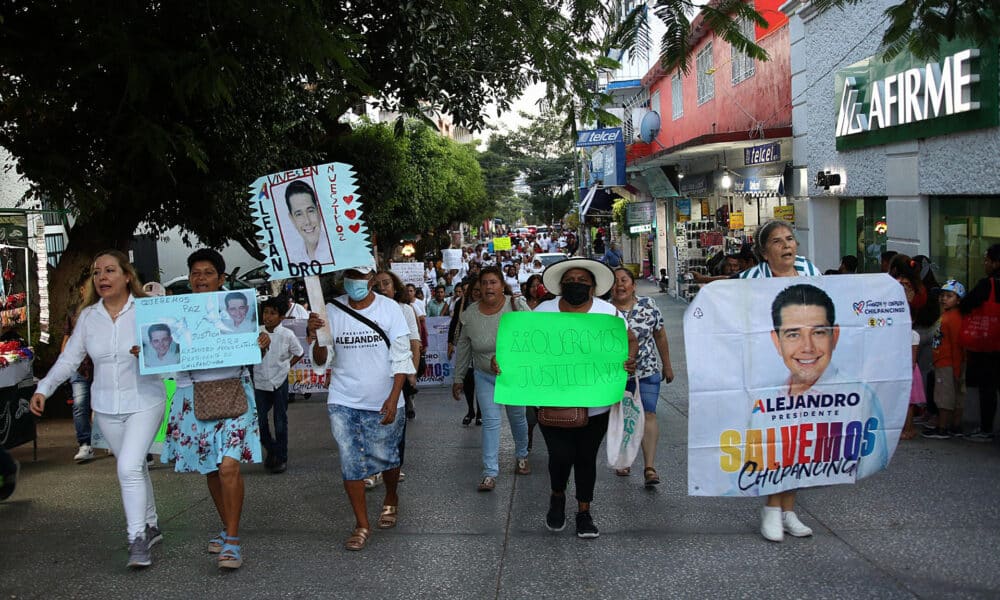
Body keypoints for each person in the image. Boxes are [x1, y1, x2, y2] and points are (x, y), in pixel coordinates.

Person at [30, 250, 164, 568]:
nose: (102, 277)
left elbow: (174, 348)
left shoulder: (147, 310)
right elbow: (69, 359)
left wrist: (147, 352)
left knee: (128, 468)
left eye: (109, 270)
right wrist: (43, 388)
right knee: (135, 468)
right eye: (96, 272)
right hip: (105, 406)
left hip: (145, 400)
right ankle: (151, 524)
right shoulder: (89, 317)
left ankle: (137, 540)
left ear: (127, 276)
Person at [161, 249, 266, 570]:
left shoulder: (239, 309)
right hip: (191, 397)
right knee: (210, 468)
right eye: (196, 272)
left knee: (229, 468)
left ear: (221, 279)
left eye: (208, 273)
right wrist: (146, 352)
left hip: (235, 393)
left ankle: (232, 540)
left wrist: (262, 341)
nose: (201, 278)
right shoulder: (175, 313)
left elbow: (255, 346)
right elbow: (166, 357)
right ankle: (227, 526)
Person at [306, 266, 415, 551]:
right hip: (344, 399)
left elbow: (401, 357)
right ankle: (362, 524)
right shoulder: (330, 310)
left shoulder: (391, 309)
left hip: (384, 398)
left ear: (370, 279)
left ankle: (391, 497)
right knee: (350, 460)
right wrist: (316, 335)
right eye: (349, 276)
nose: (355, 282)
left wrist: (393, 397)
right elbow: (322, 359)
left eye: (360, 276)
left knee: (388, 457)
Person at [530, 257, 637, 538]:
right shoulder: (543, 312)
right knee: (560, 455)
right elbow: (523, 349)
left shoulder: (609, 314)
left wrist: (629, 359)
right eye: (570, 281)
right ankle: (557, 496)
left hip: (597, 404)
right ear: (561, 286)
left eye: (582, 282)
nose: (575, 285)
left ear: (592, 287)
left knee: (586, 458)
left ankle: (584, 512)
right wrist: (504, 364)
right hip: (551, 402)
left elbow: (631, 341)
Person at [737, 219, 821, 542]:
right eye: (777, 241)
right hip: (765, 371)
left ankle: (788, 510)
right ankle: (771, 508)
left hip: (804, 368)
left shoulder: (809, 271)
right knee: (774, 438)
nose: (786, 245)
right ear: (763, 251)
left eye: (790, 239)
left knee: (798, 440)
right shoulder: (748, 280)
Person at [453, 267, 531, 491]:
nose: (489, 287)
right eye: (484, 283)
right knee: (490, 422)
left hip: (514, 377)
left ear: (502, 285)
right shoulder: (470, 314)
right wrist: (458, 378)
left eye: (493, 282)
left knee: (517, 417)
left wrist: (508, 358)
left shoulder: (516, 306)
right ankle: (489, 472)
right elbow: (464, 348)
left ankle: (522, 455)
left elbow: (533, 339)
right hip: (484, 376)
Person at [610, 268, 674, 487]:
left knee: (648, 414)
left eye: (624, 280)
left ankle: (649, 467)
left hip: (647, 372)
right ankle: (623, 459)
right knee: (622, 416)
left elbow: (660, 336)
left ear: (633, 284)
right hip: (615, 375)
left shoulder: (648, 306)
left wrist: (667, 365)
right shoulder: (604, 311)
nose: (620, 285)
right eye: (615, 281)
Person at [369, 269, 422, 489]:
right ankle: (375, 468)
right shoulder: (366, 311)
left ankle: (394, 465)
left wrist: (413, 371)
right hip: (374, 374)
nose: (382, 288)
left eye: (386, 283)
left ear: (395, 286)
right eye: (377, 284)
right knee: (373, 420)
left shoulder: (405, 309)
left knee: (396, 422)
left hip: (399, 372)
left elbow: (414, 342)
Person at [254, 296, 304, 473]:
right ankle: (272, 448)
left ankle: (281, 457)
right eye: (265, 312)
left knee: (280, 420)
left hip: (279, 381)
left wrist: (287, 365)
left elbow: (299, 352)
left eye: (273, 313)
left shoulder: (287, 335)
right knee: (259, 420)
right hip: (260, 382)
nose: (267, 316)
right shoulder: (257, 332)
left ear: (281, 317)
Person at [959, 243, 1000, 442]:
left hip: (989, 344)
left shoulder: (988, 284)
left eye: (987, 260)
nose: (985, 263)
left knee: (988, 386)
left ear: (996, 263)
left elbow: (966, 304)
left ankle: (986, 428)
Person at [923, 280, 966, 439]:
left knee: (944, 397)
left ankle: (943, 428)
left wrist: (956, 368)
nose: (944, 299)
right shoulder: (946, 315)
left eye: (949, 296)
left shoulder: (953, 318)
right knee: (947, 395)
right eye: (942, 295)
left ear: (958, 299)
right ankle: (953, 426)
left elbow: (956, 344)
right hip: (942, 361)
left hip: (948, 363)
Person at [63, 271, 95, 463]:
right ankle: (85, 443)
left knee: (105, 405)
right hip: (79, 366)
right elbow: (66, 338)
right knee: (80, 404)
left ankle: (107, 440)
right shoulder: (73, 311)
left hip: (102, 365)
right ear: (82, 290)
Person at [449, 278, 482, 426]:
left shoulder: (487, 304)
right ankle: (470, 410)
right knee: (468, 380)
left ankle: (481, 413)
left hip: (482, 348)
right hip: (466, 346)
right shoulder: (461, 304)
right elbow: (455, 322)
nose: (476, 293)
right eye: (473, 290)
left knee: (481, 381)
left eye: (478, 289)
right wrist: (450, 342)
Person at [283, 180, 333, 265]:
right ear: (292, 219)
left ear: (319, 212)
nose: (307, 221)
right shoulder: (293, 259)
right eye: (299, 214)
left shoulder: (337, 248)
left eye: (310, 211)